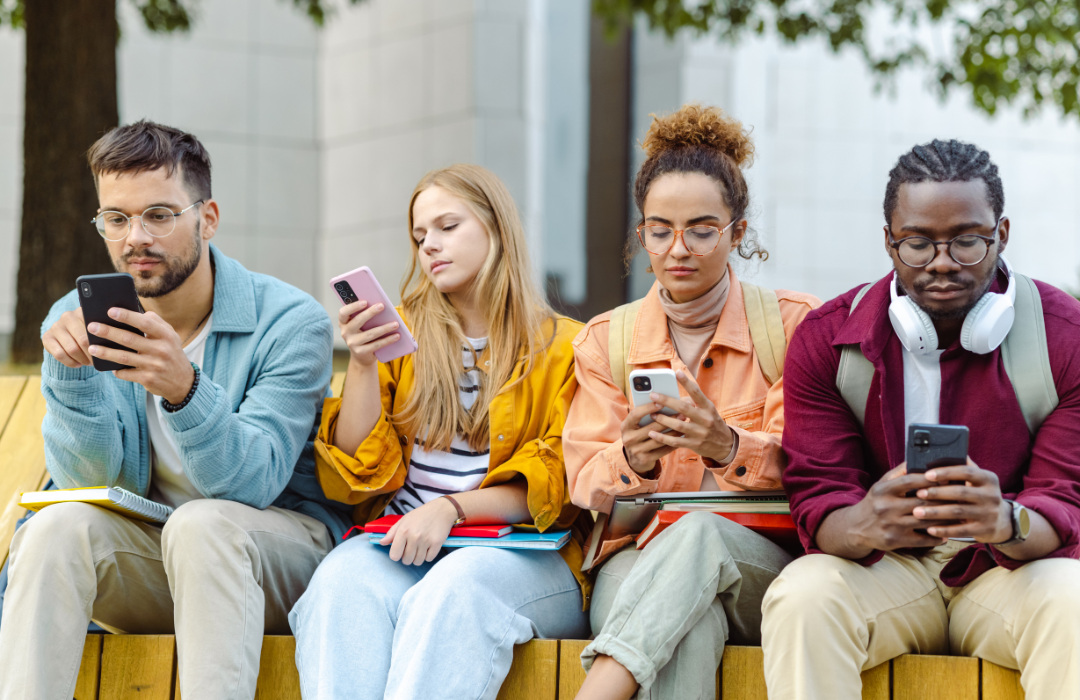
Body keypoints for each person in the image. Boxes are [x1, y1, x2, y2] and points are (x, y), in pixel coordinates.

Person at [0, 121, 351, 700]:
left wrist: (185, 390)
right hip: (160, 559)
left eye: (159, 215)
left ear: (207, 218)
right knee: (53, 529)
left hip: (278, 561)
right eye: (116, 219)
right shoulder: (76, 317)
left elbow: (254, 482)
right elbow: (90, 484)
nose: (135, 237)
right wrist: (72, 379)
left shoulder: (290, 322)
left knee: (203, 523)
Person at [761, 139, 1080, 700]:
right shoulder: (827, 341)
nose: (941, 262)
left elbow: (1067, 503)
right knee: (803, 596)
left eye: (967, 241)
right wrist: (865, 520)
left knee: (1073, 600)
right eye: (917, 243)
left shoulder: (1066, 335)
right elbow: (818, 501)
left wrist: (1006, 519)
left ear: (1001, 235)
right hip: (887, 571)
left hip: (1006, 573)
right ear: (888, 241)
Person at [288, 163, 591, 700]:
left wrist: (450, 509)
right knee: (337, 584)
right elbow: (353, 472)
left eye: (448, 226)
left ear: (496, 229)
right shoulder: (399, 338)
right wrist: (360, 363)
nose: (429, 244)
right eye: (419, 234)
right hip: (400, 540)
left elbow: (556, 482)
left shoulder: (565, 347)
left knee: (454, 590)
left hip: (527, 555)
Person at [563, 104, 820, 700]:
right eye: (660, 229)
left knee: (701, 532)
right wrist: (633, 457)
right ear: (641, 234)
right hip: (639, 557)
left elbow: (818, 467)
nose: (679, 248)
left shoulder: (793, 326)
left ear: (738, 231)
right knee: (686, 621)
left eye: (703, 229)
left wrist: (728, 447)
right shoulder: (609, 340)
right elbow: (582, 480)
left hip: (763, 562)